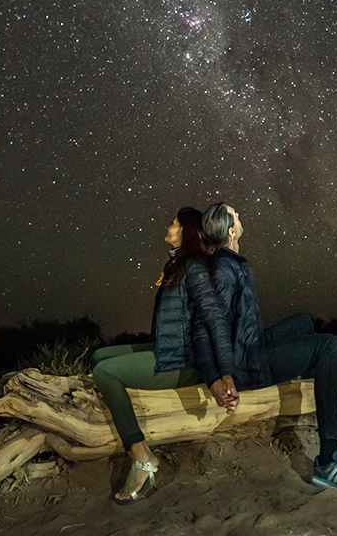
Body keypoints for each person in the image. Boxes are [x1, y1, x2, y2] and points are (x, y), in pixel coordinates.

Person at [194, 201, 337, 494]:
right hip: (246, 365)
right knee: (329, 346)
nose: (241, 216)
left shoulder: (231, 263)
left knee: (303, 322)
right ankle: (329, 460)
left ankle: (314, 373)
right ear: (231, 231)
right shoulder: (224, 271)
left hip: (250, 344)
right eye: (236, 215)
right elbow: (202, 330)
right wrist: (218, 378)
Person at [90, 207, 238, 504]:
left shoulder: (194, 267)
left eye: (174, 222)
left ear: (186, 231)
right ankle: (127, 420)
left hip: (182, 362)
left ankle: (142, 456)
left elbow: (215, 319)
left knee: (105, 372)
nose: (168, 226)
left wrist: (225, 373)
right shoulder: (178, 264)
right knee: (100, 356)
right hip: (167, 349)